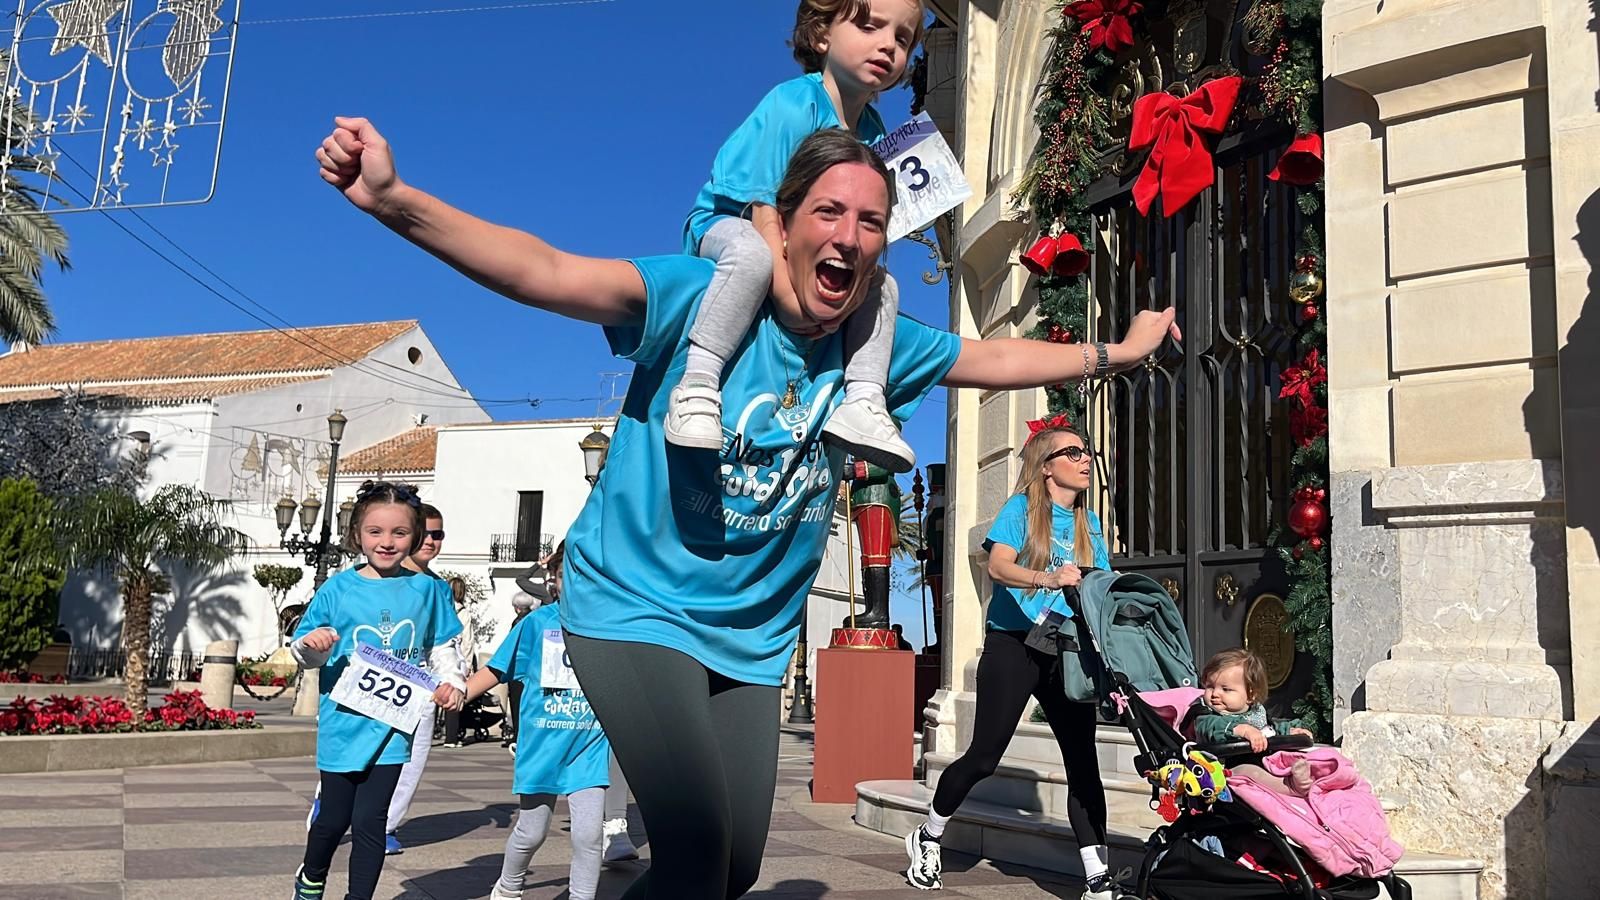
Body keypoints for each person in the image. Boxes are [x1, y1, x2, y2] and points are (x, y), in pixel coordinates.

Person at [316, 118, 1177, 896]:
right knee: (692, 854)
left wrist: (1116, 350)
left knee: (732, 871)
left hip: (752, 640)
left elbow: (996, 360)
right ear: (786, 223)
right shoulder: (701, 298)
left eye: (871, 221)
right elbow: (546, 272)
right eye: (829, 213)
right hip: (634, 608)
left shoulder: (876, 345)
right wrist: (394, 201)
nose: (849, 236)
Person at [667, 0, 925, 474]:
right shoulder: (792, 104)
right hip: (730, 224)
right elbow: (761, 208)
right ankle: (698, 383)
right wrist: (789, 297)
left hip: (801, 250)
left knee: (883, 286)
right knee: (749, 257)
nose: (888, 44)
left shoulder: (873, 132)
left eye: (903, 38)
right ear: (822, 35)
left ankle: (865, 400)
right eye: (869, 26)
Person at [903, 426, 1116, 897]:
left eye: (1087, 452)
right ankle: (930, 834)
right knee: (984, 756)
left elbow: (1100, 583)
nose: (1085, 460)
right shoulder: (1021, 510)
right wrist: (1048, 578)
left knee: (1083, 763)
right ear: (1046, 466)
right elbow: (998, 566)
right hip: (1014, 645)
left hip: (1064, 650)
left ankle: (1097, 878)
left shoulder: (1089, 524)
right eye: (1073, 452)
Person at [287, 482, 466, 900]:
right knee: (332, 819)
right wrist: (312, 648)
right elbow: (303, 649)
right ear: (357, 535)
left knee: (372, 821)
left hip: (394, 724)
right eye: (376, 532)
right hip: (344, 723)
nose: (387, 542)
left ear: (416, 537)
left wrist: (452, 683)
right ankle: (311, 880)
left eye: (399, 533)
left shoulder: (431, 590)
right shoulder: (337, 588)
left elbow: (442, 646)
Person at [462, 545, 611, 900]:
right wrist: (457, 694)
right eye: (566, 575)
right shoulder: (535, 624)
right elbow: (496, 670)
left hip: (588, 749)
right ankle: (509, 888)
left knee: (589, 836)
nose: (575, 583)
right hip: (542, 748)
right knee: (532, 831)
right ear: (554, 582)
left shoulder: (609, 629)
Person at [382, 503, 455, 854]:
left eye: (437, 534)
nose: (430, 541)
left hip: (423, 687)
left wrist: (450, 682)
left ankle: (387, 825)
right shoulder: (387, 576)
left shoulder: (440, 588)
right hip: (381, 680)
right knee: (367, 750)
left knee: (413, 759)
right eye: (424, 533)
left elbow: (444, 641)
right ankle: (328, 798)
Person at [1193, 647, 1313, 752]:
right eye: (1210, 686)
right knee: (1253, 772)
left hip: (1260, 760)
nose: (1215, 694)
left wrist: (1290, 731)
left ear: (1251, 695)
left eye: (1226, 689)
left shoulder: (1255, 714)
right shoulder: (1206, 715)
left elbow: (1268, 728)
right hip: (1226, 766)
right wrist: (1242, 730)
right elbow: (1209, 728)